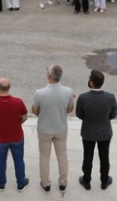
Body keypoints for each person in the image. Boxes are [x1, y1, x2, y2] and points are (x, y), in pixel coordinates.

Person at [32, 65, 74, 194]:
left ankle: (46, 183)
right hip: (61, 128)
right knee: (62, 156)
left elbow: (34, 111)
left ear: (49, 76)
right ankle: (63, 182)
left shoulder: (39, 93)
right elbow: (70, 109)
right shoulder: (68, 91)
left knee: (44, 157)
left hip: (44, 129)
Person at [0, 78, 29, 192]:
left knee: (0, 161)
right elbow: (24, 117)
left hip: (0, 138)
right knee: (19, 160)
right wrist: (17, 123)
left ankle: (1, 183)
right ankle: (20, 183)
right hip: (17, 137)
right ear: (9, 87)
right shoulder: (18, 102)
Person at [76, 70, 117, 191]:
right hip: (104, 132)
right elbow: (113, 114)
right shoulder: (110, 97)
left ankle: (86, 180)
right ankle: (104, 180)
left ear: (91, 83)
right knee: (104, 157)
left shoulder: (83, 98)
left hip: (88, 132)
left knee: (87, 157)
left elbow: (79, 114)